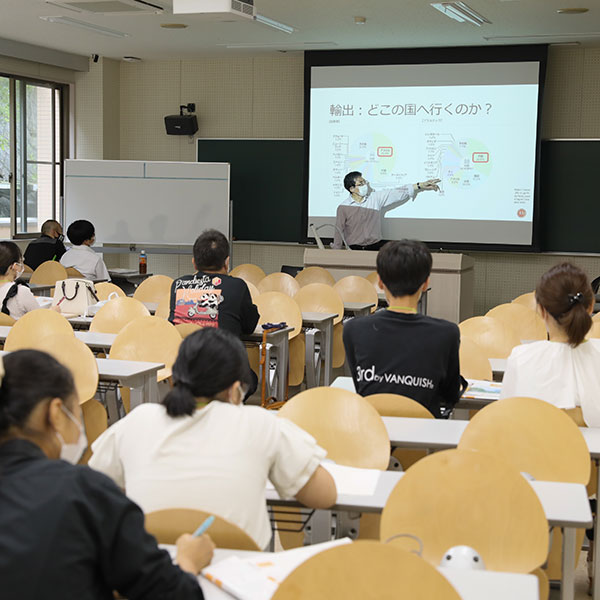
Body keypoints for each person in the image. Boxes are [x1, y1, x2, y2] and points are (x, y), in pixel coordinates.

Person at [89, 327, 337, 550]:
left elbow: (96, 490)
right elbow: (325, 496)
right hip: (239, 580)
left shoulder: (137, 420)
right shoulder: (261, 423)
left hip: (150, 577)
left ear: (174, 379)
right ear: (234, 389)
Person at [0, 349, 214, 600]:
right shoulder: (81, 493)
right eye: (76, 414)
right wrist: (188, 562)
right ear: (56, 414)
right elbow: (173, 594)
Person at [343, 240, 461, 417]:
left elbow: (362, 388)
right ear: (425, 283)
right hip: (424, 438)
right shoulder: (447, 333)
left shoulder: (353, 329)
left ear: (380, 282)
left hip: (371, 435)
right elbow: (450, 395)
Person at [501, 262, 600, 426]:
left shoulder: (521, 358)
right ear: (590, 307)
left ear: (541, 310)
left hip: (536, 450)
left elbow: (508, 421)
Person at [168, 229, 258, 336]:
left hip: (184, 351)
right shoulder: (237, 287)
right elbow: (249, 327)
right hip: (222, 351)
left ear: (194, 263)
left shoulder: (178, 285)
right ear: (227, 262)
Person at [332, 171, 441, 250]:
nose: (365, 185)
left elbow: (396, 192)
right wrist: (336, 252)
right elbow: (338, 231)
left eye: (365, 182)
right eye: (361, 184)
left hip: (375, 247)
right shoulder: (344, 207)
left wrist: (420, 185)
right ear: (351, 189)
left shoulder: (375, 198)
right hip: (354, 249)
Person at [0, 241, 47, 319]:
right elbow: (40, 318)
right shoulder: (20, 292)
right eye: (21, 261)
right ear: (14, 266)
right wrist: (53, 311)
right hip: (18, 330)